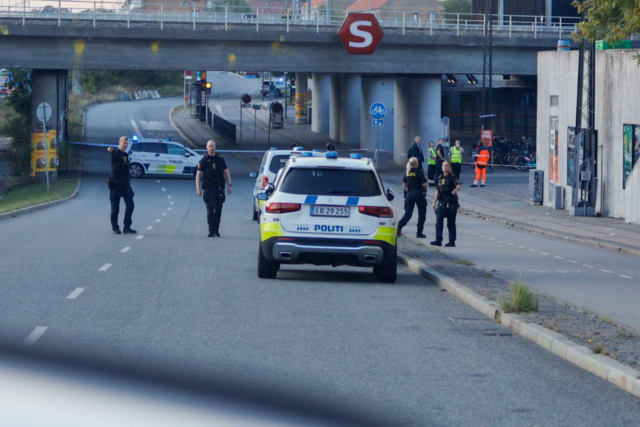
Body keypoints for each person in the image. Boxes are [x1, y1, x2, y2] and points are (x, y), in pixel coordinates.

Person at [196, 140, 232, 237]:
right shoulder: (204, 160)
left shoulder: (220, 159)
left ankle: (216, 229)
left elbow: (226, 172)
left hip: (219, 188)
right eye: (209, 146)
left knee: (218, 209)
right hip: (208, 188)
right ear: (206, 147)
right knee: (210, 209)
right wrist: (198, 188)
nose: (211, 148)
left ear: (215, 147)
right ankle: (211, 230)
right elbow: (198, 174)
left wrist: (229, 185)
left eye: (212, 146)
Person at [108, 136, 136, 235]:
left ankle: (127, 227)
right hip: (115, 184)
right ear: (119, 143)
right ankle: (115, 227)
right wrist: (111, 150)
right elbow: (113, 154)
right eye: (124, 143)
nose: (125, 145)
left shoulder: (125, 155)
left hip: (125, 184)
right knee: (115, 207)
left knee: (130, 204)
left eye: (127, 144)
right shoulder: (115, 153)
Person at [431, 160, 461, 247]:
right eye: (443, 165)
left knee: (451, 223)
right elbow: (437, 190)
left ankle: (452, 241)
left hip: (451, 203)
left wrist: (456, 189)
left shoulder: (453, 176)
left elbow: (458, 185)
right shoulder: (439, 177)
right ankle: (438, 240)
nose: (445, 167)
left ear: (450, 167)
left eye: (447, 165)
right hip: (442, 203)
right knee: (438, 222)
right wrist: (434, 202)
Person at [397, 157, 428, 238]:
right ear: (417, 163)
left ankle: (399, 226)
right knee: (421, 213)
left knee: (408, 213)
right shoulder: (419, 172)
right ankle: (419, 232)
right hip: (418, 193)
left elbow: (404, 184)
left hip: (409, 193)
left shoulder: (407, 171)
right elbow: (425, 183)